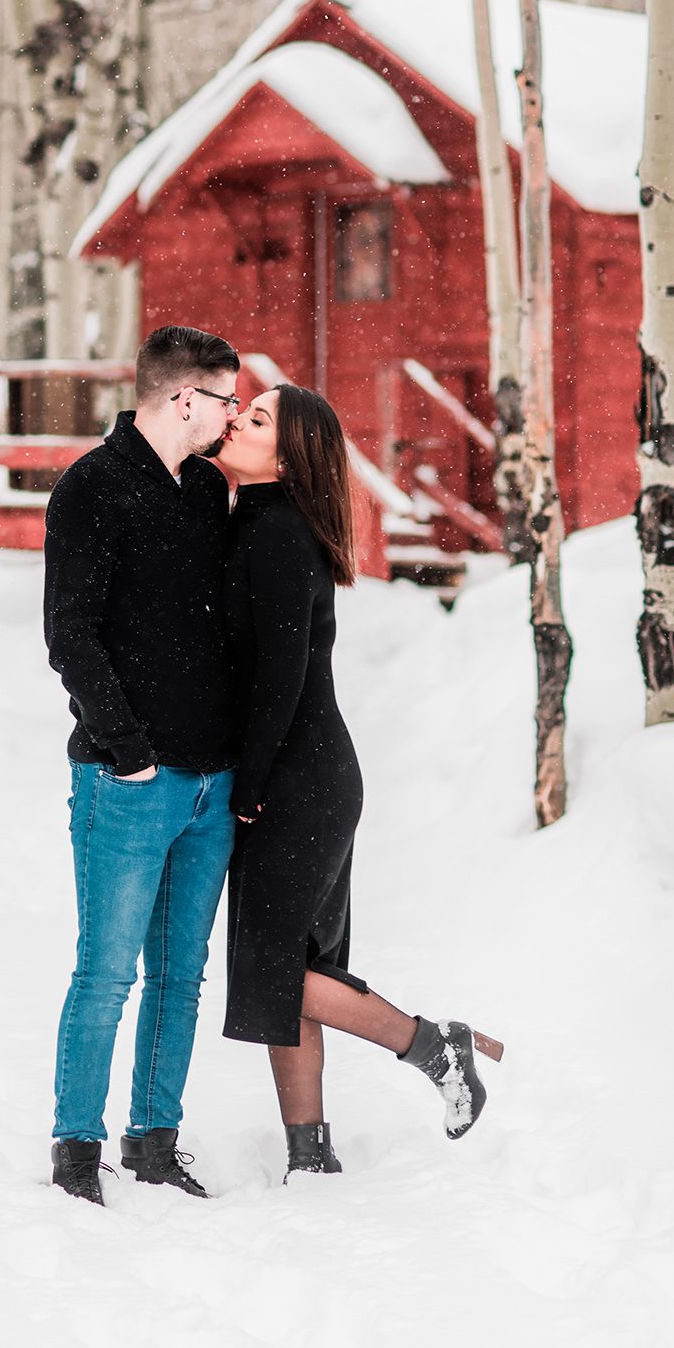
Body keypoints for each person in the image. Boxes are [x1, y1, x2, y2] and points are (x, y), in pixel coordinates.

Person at [217, 383, 503, 1180]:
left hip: (296, 778)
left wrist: (250, 785)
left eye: (258, 417)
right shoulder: (254, 517)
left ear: (288, 455)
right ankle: (309, 1154)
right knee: (283, 966)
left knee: (274, 968)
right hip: (301, 770)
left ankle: (431, 1044)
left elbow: (278, 677)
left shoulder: (276, 533)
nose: (237, 416)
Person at [43, 325, 242, 1205]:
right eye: (227, 400)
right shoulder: (90, 488)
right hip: (128, 781)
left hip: (211, 779)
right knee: (107, 971)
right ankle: (77, 1154)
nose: (234, 416)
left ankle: (154, 1141)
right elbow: (70, 634)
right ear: (184, 398)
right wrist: (127, 752)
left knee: (181, 972)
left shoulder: (206, 489)